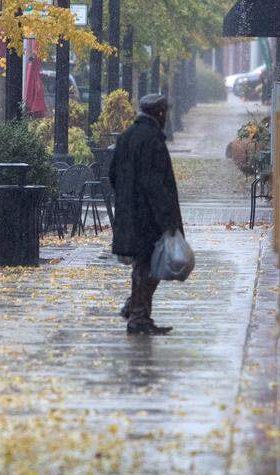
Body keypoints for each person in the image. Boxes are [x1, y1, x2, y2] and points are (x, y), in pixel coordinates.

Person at [109, 94, 185, 335]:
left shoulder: (127, 136)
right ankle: (138, 316)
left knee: (145, 264)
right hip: (149, 217)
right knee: (150, 266)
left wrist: (126, 198)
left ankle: (135, 309)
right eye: (164, 113)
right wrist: (167, 220)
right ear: (158, 113)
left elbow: (113, 174)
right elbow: (156, 185)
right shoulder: (152, 140)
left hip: (130, 213)